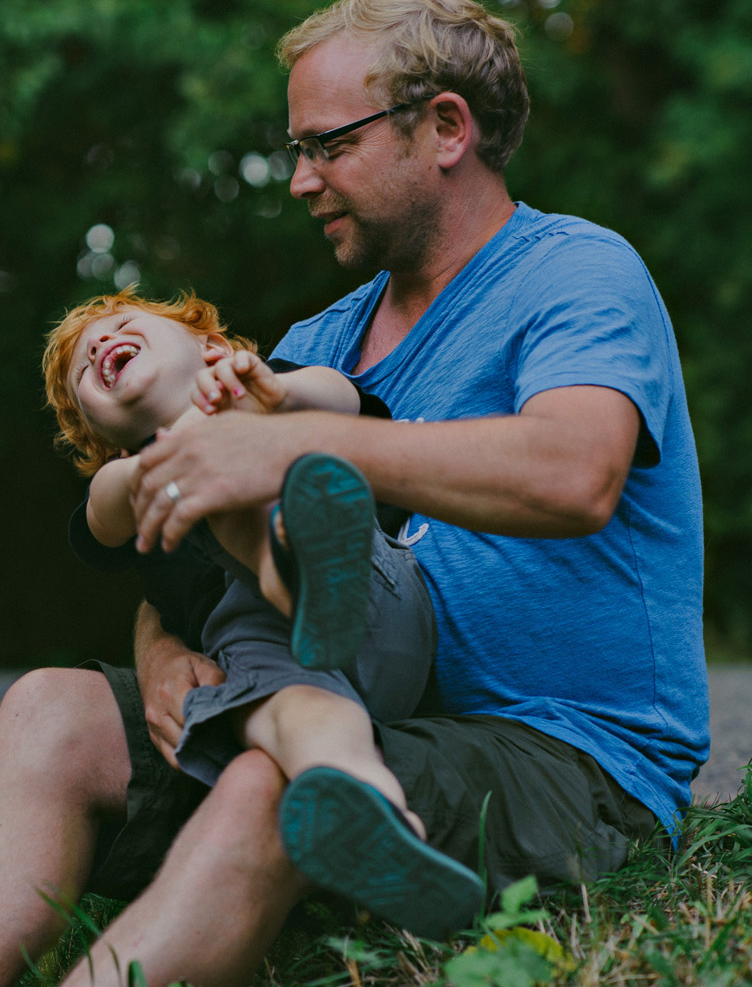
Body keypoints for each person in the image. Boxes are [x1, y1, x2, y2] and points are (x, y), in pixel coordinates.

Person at [0, 0, 708, 985]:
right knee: (49, 710)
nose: (297, 180)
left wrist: (292, 450)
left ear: (445, 128)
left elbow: (576, 472)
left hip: (562, 757)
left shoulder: (575, 274)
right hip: (348, 701)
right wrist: (165, 661)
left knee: (273, 775)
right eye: (294, 148)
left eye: (327, 145)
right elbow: (187, 562)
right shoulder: (310, 345)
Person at [40, 289, 483, 936]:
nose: (100, 347)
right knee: (307, 728)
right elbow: (106, 510)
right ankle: (383, 826)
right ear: (101, 435)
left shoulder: (275, 390)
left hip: (375, 603)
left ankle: (300, 559)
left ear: (211, 347)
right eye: (84, 370)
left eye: (121, 327)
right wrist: (159, 462)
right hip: (281, 666)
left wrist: (271, 398)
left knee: (229, 450)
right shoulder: (126, 481)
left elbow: (340, 394)